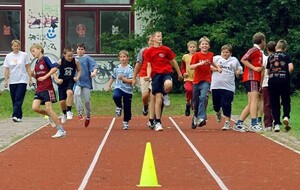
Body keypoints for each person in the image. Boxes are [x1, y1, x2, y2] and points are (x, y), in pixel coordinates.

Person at [145, 31, 183, 131]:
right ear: (153, 38)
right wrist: (148, 75)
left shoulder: (166, 49)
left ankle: (165, 93)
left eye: (161, 36)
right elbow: (148, 65)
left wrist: (179, 73)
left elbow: (173, 61)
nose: (160, 38)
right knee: (157, 98)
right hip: (156, 75)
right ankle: (157, 121)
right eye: (158, 36)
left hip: (166, 73)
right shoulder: (149, 51)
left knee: (169, 84)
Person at [30, 43, 66, 138]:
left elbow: (54, 68)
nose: (32, 53)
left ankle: (61, 130)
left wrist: (46, 76)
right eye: (31, 52)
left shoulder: (46, 59)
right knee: (35, 108)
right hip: (39, 89)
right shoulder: (37, 63)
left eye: (33, 51)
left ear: (39, 49)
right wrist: (32, 75)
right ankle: (51, 116)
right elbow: (38, 76)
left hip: (47, 88)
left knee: (49, 108)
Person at [233, 32, 266, 133]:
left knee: (252, 102)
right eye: (265, 41)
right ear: (262, 41)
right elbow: (243, 59)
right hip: (251, 77)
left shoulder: (260, 52)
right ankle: (254, 123)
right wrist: (254, 68)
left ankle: (239, 123)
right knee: (255, 100)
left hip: (255, 78)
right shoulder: (254, 49)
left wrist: (260, 69)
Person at [190, 36, 222, 129]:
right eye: (203, 44)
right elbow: (191, 67)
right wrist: (199, 64)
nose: (204, 45)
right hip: (196, 81)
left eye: (206, 44)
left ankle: (201, 117)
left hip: (206, 80)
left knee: (203, 97)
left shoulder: (211, 54)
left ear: (209, 46)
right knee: (195, 101)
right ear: (200, 46)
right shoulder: (196, 55)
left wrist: (218, 68)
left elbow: (211, 62)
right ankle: (195, 116)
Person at [211, 44, 243, 130]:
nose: (225, 54)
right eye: (223, 52)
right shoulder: (216, 58)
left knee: (226, 104)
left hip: (228, 87)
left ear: (230, 53)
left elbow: (239, 68)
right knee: (216, 105)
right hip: (216, 85)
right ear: (221, 52)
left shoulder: (234, 60)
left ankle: (227, 122)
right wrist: (216, 69)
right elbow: (209, 67)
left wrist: (238, 71)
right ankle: (218, 112)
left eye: (227, 52)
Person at [267, 39, 294, 132]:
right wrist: (287, 74)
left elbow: (268, 71)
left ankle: (277, 124)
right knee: (286, 100)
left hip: (272, 81)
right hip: (284, 80)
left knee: (275, 102)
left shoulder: (270, 57)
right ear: (285, 48)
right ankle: (286, 116)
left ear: (276, 47)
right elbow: (291, 68)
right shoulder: (286, 56)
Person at [3, 39, 32, 122]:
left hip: (22, 79)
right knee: (14, 99)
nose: (16, 47)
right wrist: (6, 80)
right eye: (14, 46)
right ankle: (19, 117)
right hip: (12, 80)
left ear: (19, 46)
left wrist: (30, 79)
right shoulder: (8, 56)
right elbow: (7, 69)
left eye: (17, 46)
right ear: (12, 47)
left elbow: (28, 67)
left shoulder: (24, 55)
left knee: (18, 98)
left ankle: (15, 115)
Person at [105, 50, 133, 130]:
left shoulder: (130, 69)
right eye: (121, 57)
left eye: (124, 57)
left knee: (127, 108)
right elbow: (113, 77)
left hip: (128, 90)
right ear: (119, 58)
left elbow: (131, 81)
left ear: (128, 58)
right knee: (116, 96)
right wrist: (108, 86)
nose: (122, 58)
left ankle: (126, 122)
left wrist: (123, 79)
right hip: (119, 87)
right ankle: (119, 106)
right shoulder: (116, 68)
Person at [53, 47, 81, 124]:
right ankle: (64, 113)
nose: (70, 57)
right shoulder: (60, 61)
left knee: (70, 93)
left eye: (72, 56)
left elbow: (79, 70)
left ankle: (69, 111)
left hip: (70, 81)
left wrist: (77, 77)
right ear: (64, 55)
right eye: (68, 56)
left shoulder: (76, 61)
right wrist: (57, 79)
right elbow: (53, 70)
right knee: (62, 102)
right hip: (62, 82)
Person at [74, 43, 98, 127]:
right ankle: (79, 112)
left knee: (87, 101)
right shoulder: (73, 59)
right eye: (78, 49)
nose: (80, 51)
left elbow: (95, 66)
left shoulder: (87, 58)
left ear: (84, 50)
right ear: (76, 50)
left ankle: (88, 116)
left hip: (86, 82)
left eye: (82, 49)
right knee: (76, 94)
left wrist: (94, 72)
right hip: (77, 82)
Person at [132, 35, 153, 116]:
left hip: (155, 75)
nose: (151, 42)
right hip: (144, 74)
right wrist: (134, 78)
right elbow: (138, 64)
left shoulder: (159, 51)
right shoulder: (143, 51)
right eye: (150, 40)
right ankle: (145, 105)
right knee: (145, 95)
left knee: (153, 96)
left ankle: (153, 117)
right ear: (148, 42)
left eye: (153, 41)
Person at [261, 41, 276, 131]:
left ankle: (268, 124)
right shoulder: (278, 58)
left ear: (267, 49)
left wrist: (260, 84)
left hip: (266, 83)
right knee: (275, 103)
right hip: (276, 83)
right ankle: (275, 120)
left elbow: (263, 72)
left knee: (267, 104)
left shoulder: (266, 59)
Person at [180, 40, 197, 116]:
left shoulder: (198, 56)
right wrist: (184, 73)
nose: (192, 48)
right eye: (191, 47)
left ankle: (193, 104)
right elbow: (182, 67)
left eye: (194, 47)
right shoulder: (185, 57)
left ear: (196, 48)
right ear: (188, 48)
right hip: (188, 78)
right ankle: (188, 103)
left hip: (196, 78)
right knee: (189, 89)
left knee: (195, 92)